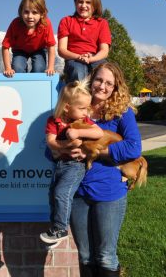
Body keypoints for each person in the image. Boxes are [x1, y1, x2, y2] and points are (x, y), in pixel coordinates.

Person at [47, 62, 142, 276]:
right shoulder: (76, 106)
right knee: (85, 256)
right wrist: (64, 149)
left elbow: (133, 148)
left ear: (116, 87)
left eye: (109, 83)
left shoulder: (121, 112)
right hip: (78, 192)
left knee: (106, 255)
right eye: (99, 80)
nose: (102, 86)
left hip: (108, 192)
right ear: (91, 79)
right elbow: (51, 148)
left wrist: (95, 152)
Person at [40, 80, 104, 244]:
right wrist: (68, 145)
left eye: (87, 108)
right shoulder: (53, 120)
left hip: (76, 165)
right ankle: (55, 226)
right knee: (52, 194)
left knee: (62, 192)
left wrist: (78, 132)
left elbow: (99, 132)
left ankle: (61, 228)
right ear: (67, 107)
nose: (86, 112)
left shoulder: (84, 122)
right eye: (82, 108)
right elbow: (51, 142)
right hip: (60, 165)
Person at [57, 0, 112, 83]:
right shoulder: (66, 21)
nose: (83, 6)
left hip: (95, 58)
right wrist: (79, 57)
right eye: (80, 2)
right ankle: (79, 97)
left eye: (88, 2)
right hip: (74, 59)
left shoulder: (102, 23)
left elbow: (104, 51)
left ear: (95, 5)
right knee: (78, 71)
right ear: (75, 3)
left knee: (105, 72)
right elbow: (62, 50)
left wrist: (92, 59)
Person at [2, 0, 56, 77]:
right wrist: (8, 68)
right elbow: (5, 47)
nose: (30, 16)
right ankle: (22, 84)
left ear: (42, 14)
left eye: (34, 12)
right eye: (26, 12)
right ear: (21, 12)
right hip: (19, 50)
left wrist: (50, 67)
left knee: (39, 68)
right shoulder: (15, 24)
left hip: (39, 49)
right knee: (17, 68)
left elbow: (51, 46)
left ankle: (33, 83)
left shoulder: (46, 24)